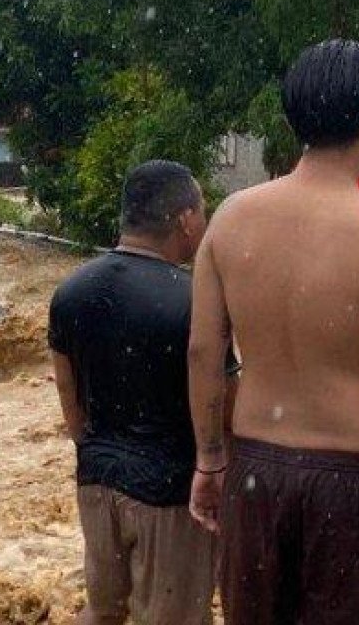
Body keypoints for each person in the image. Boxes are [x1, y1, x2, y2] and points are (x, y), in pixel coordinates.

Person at [188, 39, 359, 622]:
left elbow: (204, 352)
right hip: (353, 482)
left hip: (256, 471)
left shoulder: (231, 219)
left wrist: (209, 462)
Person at [49, 160, 232, 624]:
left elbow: (70, 399)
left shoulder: (70, 291)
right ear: (186, 220)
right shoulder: (195, 300)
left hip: (96, 479)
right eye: (203, 211)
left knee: (104, 610)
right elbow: (224, 400)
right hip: (171, 494)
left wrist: (97, 450)